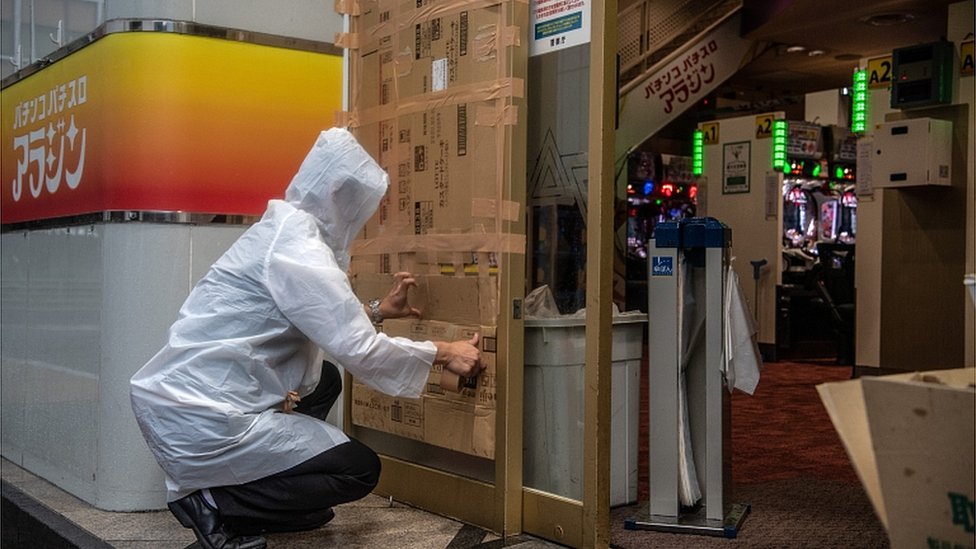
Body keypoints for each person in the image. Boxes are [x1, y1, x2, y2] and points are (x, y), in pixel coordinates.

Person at [129, 128, 484, 549]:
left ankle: (248, 492)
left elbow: (298, 317)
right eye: (361, 204)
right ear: (339, 196)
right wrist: (446, 352)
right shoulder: (297, 250)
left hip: (186, 402)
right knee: (358, 471)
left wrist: (375, 311)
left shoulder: (282, 230)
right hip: (205, 419)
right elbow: (359, 348)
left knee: (325, 380)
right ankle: (213, 502)